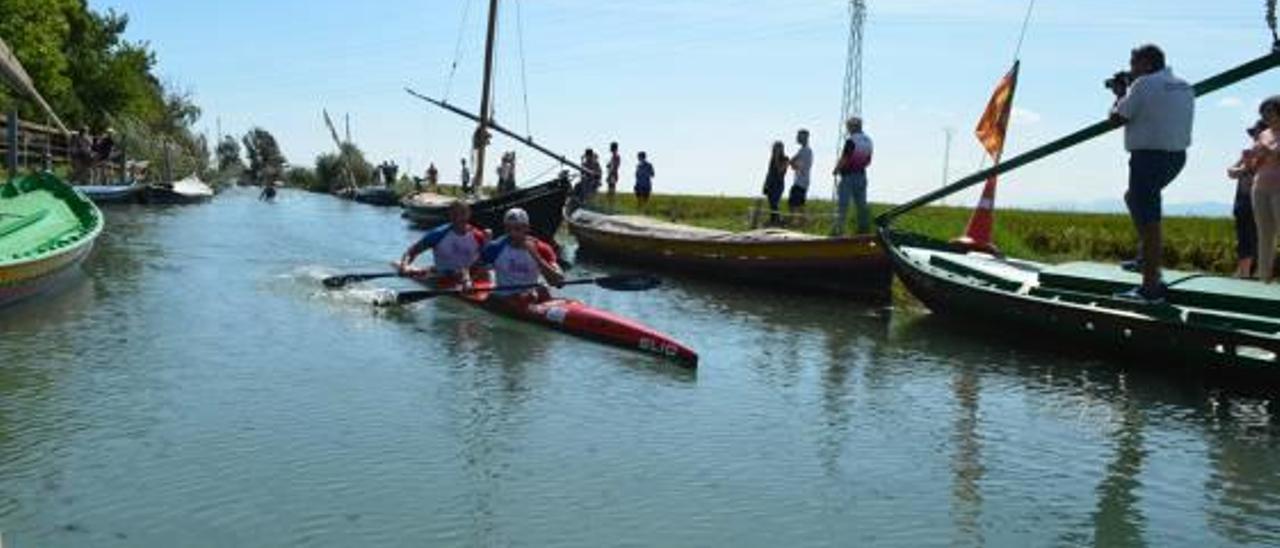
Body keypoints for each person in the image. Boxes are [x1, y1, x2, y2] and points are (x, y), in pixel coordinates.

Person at [1109, 44, 1194, 302]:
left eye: (1133, 64)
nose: (1132, 69)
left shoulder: (1143, 84)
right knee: (1134, 199)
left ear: (1145, 64)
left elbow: (1116, 118)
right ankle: (1145, 259)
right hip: (1176, 157)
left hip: (1148, 156)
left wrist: (1119, 93)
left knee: (1149, 218)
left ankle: (1150, 288)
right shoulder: (1184, 85)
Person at [395, 200, 490, 287]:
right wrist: (404, 265)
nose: (458, 218)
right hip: (444, 277)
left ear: (468, 215)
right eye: (454, 214)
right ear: (450, 215)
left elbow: (487, 261)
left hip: (472, 277)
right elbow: (411, 252)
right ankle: (425, 270)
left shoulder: (478, 236)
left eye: (461, 214)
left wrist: (488, 242)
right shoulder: (438, 234)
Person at [480, 207, 564, 302]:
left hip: (530, 296)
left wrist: (536, 257)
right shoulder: (495, 247)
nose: (513, 233)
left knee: (543, 289)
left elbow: (559, 283)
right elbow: (478, 268)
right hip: (504, 297)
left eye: (517, 228)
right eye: (508, 229)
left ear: (527, 228)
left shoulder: (542, 248)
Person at [1228, 120, 1266, 278]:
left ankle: (1247, 274)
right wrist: (1245, 168)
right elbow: (1231, 171)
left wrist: (1247, 169)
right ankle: (1245, 273)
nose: (1254, 137)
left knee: (1256, 238)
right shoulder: (1248, 152)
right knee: (1246, 237)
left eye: (1257, 133)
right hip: (1243, 201)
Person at [1251, 96, 1280, 284]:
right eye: (1263, 112)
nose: (1266, 115)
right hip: (1260, 188)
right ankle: (1264, 280)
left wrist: (1267, 151)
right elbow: (1257, 165)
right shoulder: (1264, 134)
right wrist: (1247, 163)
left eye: (1269, 111)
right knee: (1264, 235)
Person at [832, 117, 874, 236]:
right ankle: (864, 230)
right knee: (861, 205)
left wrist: (836, 169)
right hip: (862, 175)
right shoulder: (868, 140)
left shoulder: (851, 140)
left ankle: (838, 230)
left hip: (848, 177)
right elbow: (869, 160)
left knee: (843, 205)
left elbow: (845, 158)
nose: (847, 129)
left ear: (853, 126)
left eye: (848, 126)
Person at [787, 129, 813, 227]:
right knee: (798, 204)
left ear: (805, 137)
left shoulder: (805, 150)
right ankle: (802, 223)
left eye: (799, 136)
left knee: (794, 204)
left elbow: (793, 162)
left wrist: (793, 164)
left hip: (801, 181)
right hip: (801, 181)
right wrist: (793, 165)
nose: (797, 138)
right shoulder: (804, 150)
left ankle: (799, 222)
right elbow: (793, 164)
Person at [762, 141, 788, 226]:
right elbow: (769, 172)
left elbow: (780, 170)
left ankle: (778, 221)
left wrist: (777, 158)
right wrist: (765, 184)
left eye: (779, 147)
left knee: (774, 203)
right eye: (775, 148)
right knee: (771, 204)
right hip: (770, 183)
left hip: (779, 184)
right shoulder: (772, 159)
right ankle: (773, 221)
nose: (777, 149)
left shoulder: (785, 158)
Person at [606, 142, 621, 211]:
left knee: (611, 191)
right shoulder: (613, 156)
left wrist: (609, 175)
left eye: (611, 147)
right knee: (611, 190)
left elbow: (614, 167)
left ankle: (611, 207)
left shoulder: (616, 156)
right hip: (613, 174)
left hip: (613, 175)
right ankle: (611, 206)